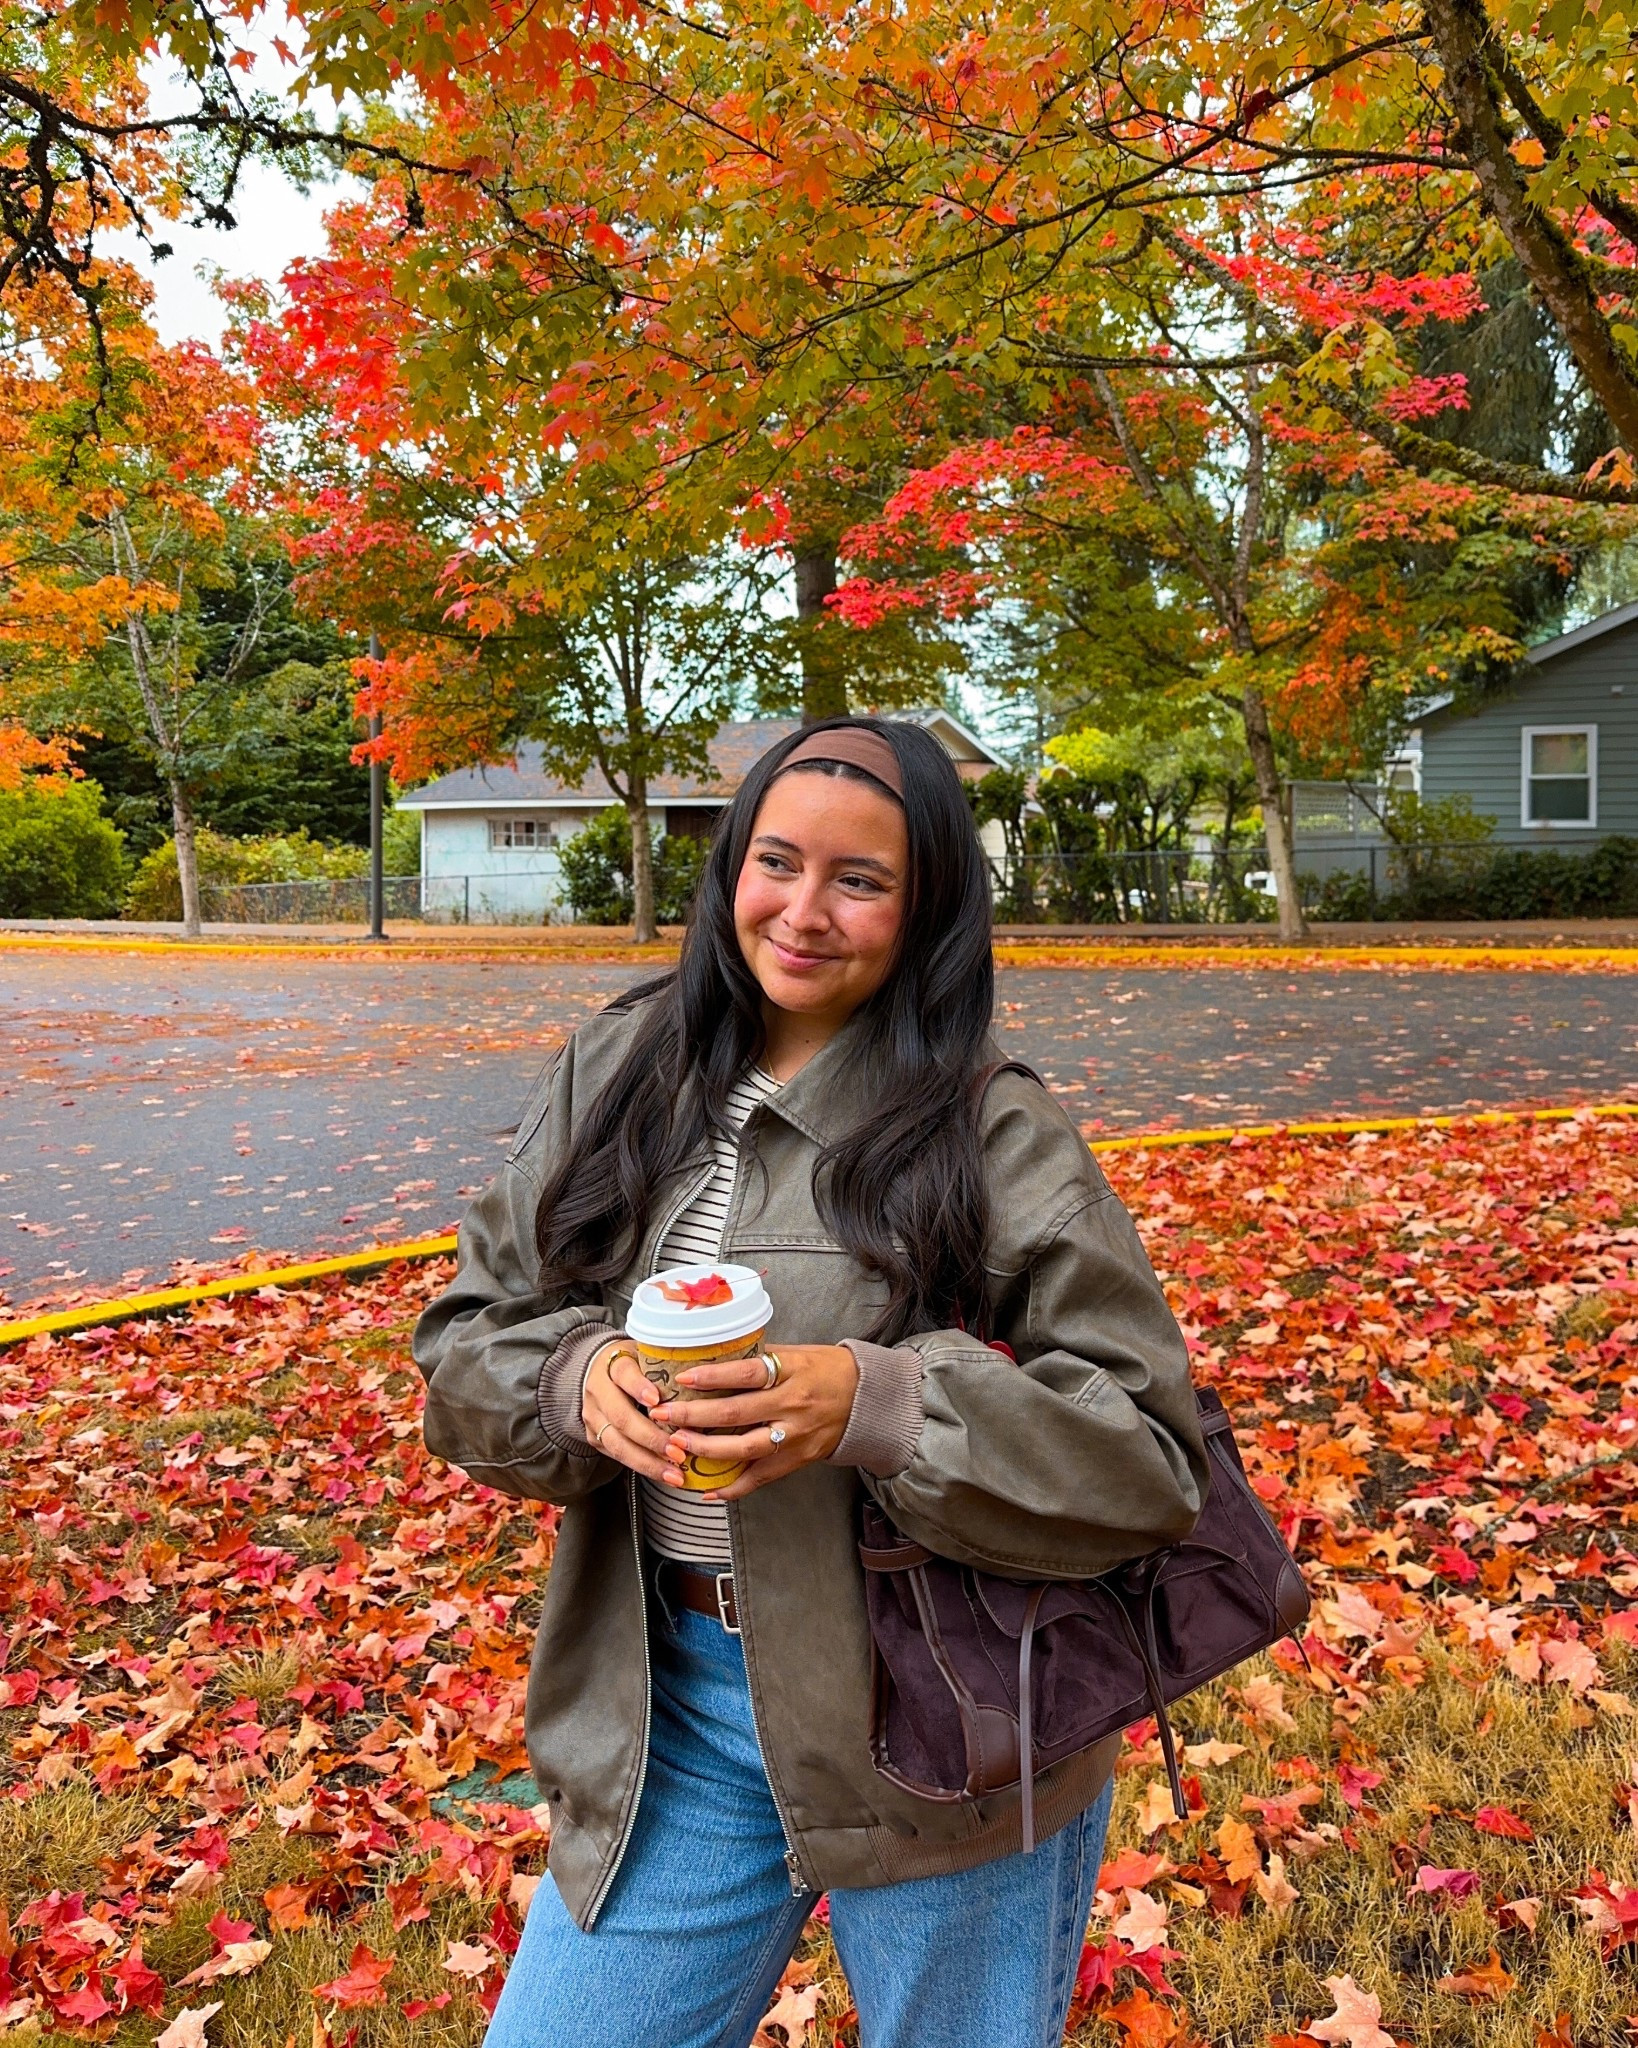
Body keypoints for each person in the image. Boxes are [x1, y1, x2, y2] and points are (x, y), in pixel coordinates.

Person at [413, 716, 1207, 2048]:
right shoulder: (622, 1071)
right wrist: (573, 1380)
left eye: (861, 880)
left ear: (928, 907)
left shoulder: (988, 1124)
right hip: (672, 1707)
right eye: (775, 861)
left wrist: (879, 1405)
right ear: (729, 865)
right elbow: (466, 1333)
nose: (802, 910)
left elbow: (1144, 1451)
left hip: (947, 1721)